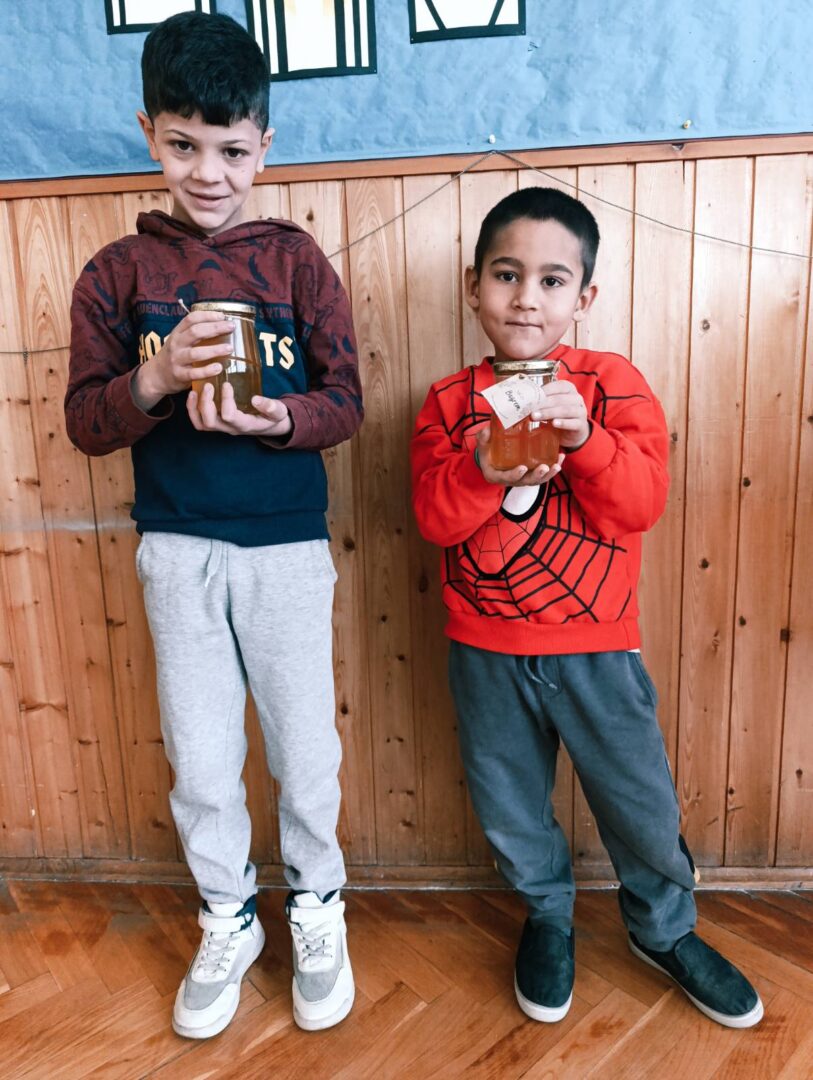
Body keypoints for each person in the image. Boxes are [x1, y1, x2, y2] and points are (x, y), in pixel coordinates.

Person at [65, 11, 361, 1039]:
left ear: (263, 146)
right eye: (184, 145)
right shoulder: (116, 273)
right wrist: (152, 380)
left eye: (232, 149)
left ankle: (317, 903)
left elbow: (346, 403)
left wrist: (281, 418)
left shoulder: (298, 263)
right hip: (177, 545)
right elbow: (86, 422)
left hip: (286, 544)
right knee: (199, 761)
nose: (209, 172)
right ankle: (227, 913)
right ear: (149, 134)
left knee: (305, 753)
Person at [410, 186, 763, 1030]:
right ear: (473, 286)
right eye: (505, 275)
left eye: (551, 280)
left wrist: (587, 439)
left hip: (597, 646)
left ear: (583, 297)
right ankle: (547, 913)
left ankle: (663, 928)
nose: (525, 299)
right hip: (483, 648)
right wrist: (481, 470)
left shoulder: (612, 383)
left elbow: (640, 505)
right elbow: (434, 519)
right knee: (508, 802)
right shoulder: (447, 400)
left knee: (639, 802)